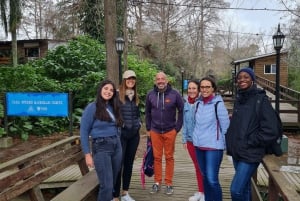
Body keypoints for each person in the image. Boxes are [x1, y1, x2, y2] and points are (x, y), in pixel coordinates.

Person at [225, 67, 280, 201]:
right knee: (244, 188)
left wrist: (251, 142)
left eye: (246, 77)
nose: (242, 80)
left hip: (250, 153)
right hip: (238, 151)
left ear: (252, 80)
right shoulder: (240, 98)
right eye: (239, 78)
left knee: (236, 190)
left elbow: (271, 130)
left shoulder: (261, 100)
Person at [80, 79, 123, 201]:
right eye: (106, 89)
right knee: (107, 186)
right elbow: (83, 132)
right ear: (100, 90)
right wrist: (87, 154)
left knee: (112, 181)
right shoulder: (91, 108)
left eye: (111, 90)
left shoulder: (112, 107)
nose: (108, 92)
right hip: (101, 147)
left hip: (116, 146)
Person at [145, 71, 184, 195]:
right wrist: (148, 128)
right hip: (155, 131)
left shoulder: (175, 94)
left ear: (167, 81)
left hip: (169, 131)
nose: (160, 81)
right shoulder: (150, 95)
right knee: (156, 157)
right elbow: (147, 112)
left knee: (169, 157)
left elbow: (182, 110)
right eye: (158, 79)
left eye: (163, 79)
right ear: (155, 81)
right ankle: (157, 182)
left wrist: (177, 129)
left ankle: (168, 183)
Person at [192, 76, 230, 201]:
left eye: (207, 86)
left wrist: (227, 147)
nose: (204, 89)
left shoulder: (218, 104)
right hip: (199, 146)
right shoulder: (197, 103)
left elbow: (226, 127)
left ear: (213, 88)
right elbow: (195, 123)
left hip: (213, 147)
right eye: (202, 87)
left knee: (212, 179)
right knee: (204, 177)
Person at [113, 70, 141, 201]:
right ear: (124, 80)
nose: (131, 80)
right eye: (128, 78)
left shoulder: (135, 96)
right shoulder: (117, 95)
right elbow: (112, 113)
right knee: (119, 164)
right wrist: (120, 125)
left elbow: (137, 114)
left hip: (134, 135)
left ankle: (125, 193)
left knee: (129, 164)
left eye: (133, 79)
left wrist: (138, 124)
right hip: (121, 135)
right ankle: (115, 195)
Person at [182, 79, 205, 201]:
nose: (191, 91)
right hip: (190, 141)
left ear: (198, 90)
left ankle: (206, 192)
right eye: (189, 88)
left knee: (203, 167)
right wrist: (184, 139)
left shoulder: (202, 103)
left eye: (194, 88)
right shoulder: (186, 103)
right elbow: (185, 123)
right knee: (197, 166)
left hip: (201, 141)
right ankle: (201, 191)